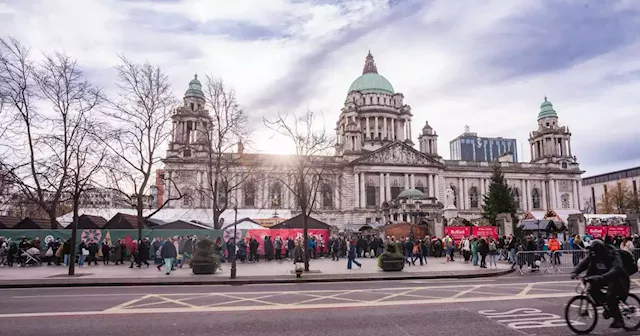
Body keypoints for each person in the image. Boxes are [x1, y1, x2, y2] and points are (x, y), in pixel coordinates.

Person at [571, 239, 630, 329]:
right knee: (592, 289)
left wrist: (602, 277)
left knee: (611, 297)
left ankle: (619, 320)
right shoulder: (593, 254)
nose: (593, 254)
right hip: (603, 277)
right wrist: (575, 272)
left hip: (617, 278)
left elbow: (617, 268)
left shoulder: (612, 253)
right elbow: (584, 263)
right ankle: (605, 304)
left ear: (600, 250)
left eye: (595, 252)